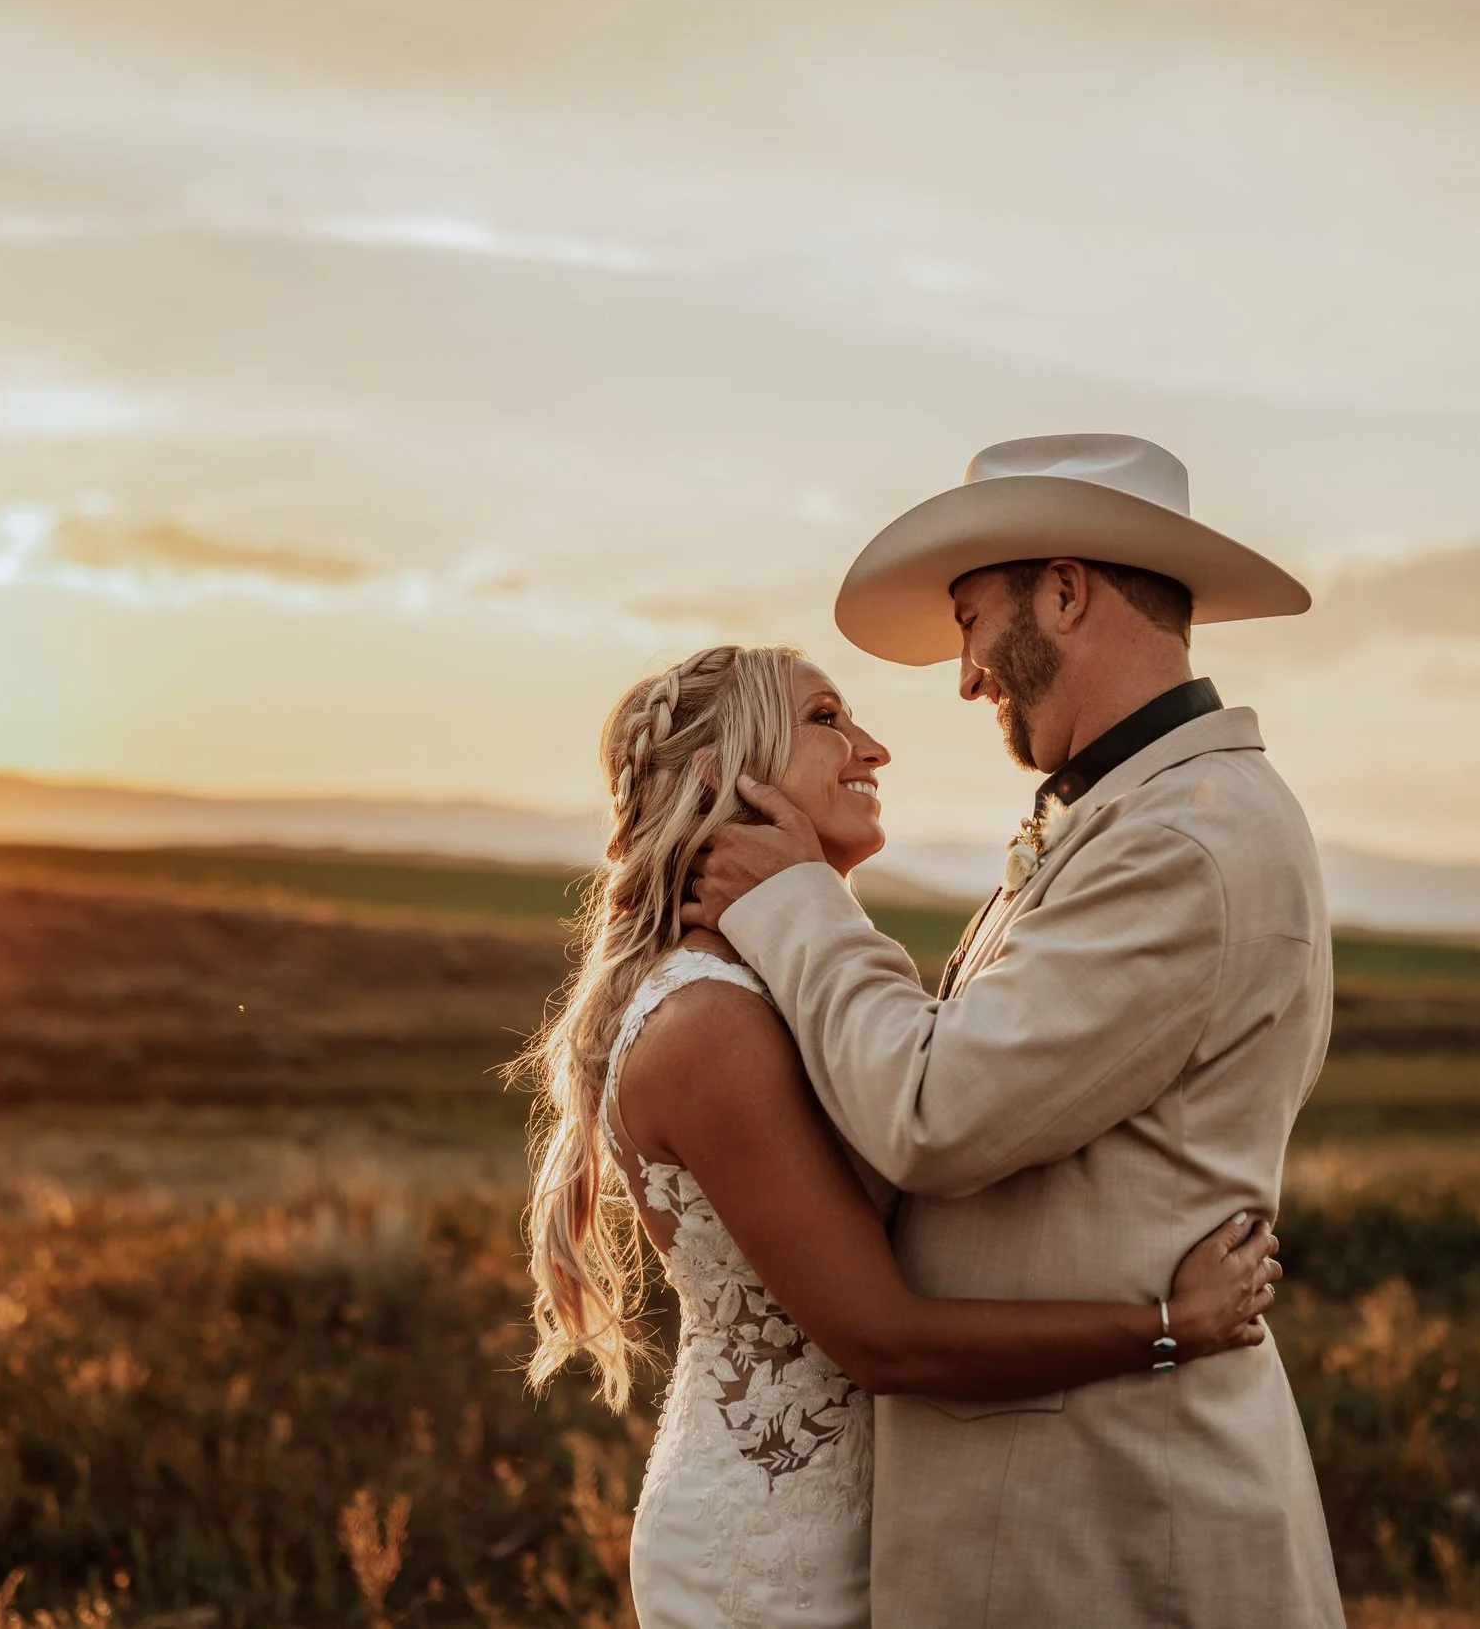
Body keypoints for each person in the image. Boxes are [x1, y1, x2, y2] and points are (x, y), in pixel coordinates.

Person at [684, 433, 1347, 1628]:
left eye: (971, 621)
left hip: (1114, 1517)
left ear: (1063, 589)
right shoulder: (1137, 817)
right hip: (1055, 1506)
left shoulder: (1181, 844)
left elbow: (936, 1115)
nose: (966, 676)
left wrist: (799, 901)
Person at [514, 641, 1284, 1629]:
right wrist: (1170, 1327)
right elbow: (884, 1340)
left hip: (875, 1526)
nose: (873, 748)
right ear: (721, 775)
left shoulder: (775, 990)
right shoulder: (711, 1024)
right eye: (828, 718)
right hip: (780, 1552)